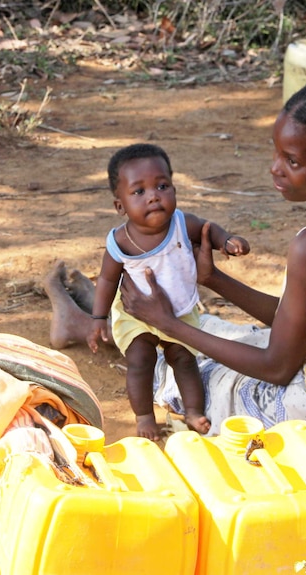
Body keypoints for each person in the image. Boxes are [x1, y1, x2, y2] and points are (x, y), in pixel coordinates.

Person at [47, 79, 306, 441]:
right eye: (276, 153)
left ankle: (84, 325)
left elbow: (277, 366)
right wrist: (214, 280)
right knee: (213, 330)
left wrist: (167, 324)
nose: (275, 168)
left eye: (291, 161)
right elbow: (298, 316)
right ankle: (101, 315)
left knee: (181, 360)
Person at [87, 143, 250, 440]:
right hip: (137, 313)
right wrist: (98, 317)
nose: (153, 196)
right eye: (139, 191)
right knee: (140, 360)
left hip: (180, 309)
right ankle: (144, 416)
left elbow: (209, 230)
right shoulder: (119, 243)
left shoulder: (182, 224)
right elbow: (108, 280)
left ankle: (194, 411)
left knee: (184, 360)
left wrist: (227, 241)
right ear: (119, 205)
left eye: (162, 186)